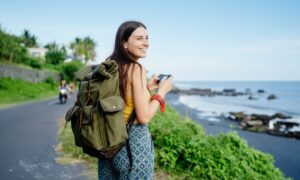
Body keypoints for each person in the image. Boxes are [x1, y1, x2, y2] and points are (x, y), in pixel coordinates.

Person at [98, 21, 173, 179]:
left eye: (147, 38)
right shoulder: (136, 68)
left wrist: (146, 88)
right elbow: (143, 117)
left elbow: (123, 99)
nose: (146, 43)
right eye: (139, 38)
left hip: (109, 143)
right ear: (124, 43)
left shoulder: (110, 65)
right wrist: (161, 93)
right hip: (133, 145)